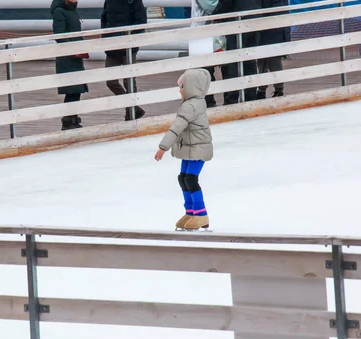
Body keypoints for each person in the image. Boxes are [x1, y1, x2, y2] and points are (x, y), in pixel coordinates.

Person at [154, 69, 214, 231]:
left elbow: (177, 127)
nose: (179, 90)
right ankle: (191, 212)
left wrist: (162, 147)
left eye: (182, 87)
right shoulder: (192, 103)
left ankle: (201, 215)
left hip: (198, 148)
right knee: (183, 178)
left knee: (190, 180)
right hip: (191, 148)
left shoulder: (191, 106)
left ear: (191, 88)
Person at [101, 0, 147, 120]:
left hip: (129, 46)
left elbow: (141, 21)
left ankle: (130, 113)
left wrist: (128, 36)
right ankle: (133, 108)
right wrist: (106, 37)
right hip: (112, 46)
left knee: (129, 81)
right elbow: (104, 18)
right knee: (111, 81)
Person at [213, 0, 262, 105]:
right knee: (249, 60)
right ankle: (250, 97)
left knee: (231, 62)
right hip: (253, 18)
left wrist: (216, 14)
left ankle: (232, 99)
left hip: (235, 20)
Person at [51, 0, 90, 130]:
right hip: (67, 57)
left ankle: (72, 118)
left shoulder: (71, 10)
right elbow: (59, 35)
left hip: (75, 56)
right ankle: (68, 120)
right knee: (72, 90)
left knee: (76, 90)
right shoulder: (59, 11)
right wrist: (72, 46)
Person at [256, 0, 290, 99]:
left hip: (271, 26)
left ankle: (277, 89)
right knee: (263, 60)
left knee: (272, 60)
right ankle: (265, 89)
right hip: (268, 26)